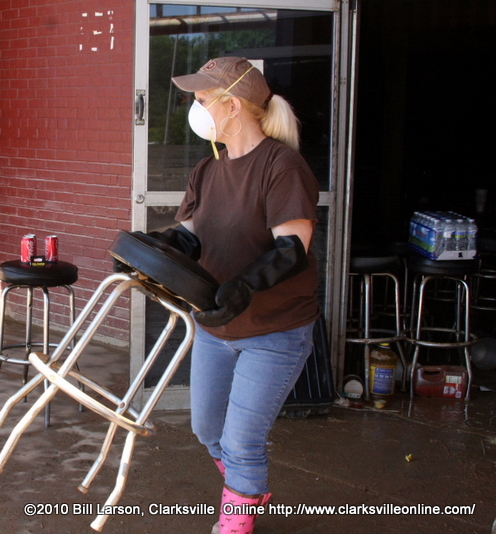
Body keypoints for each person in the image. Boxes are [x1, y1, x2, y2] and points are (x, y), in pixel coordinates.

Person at [164, 57, 320, 534]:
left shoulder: (282, 166)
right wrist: (149, 249)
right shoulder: (207, 170)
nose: (194, 109)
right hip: (217, 327)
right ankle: (246, 489)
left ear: (232, 106)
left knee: (242, 443)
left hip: (274, 330)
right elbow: (188, 236)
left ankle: (236, 516)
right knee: (208, 430)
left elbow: (291, 250)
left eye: (202, 100)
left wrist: (244, 286)